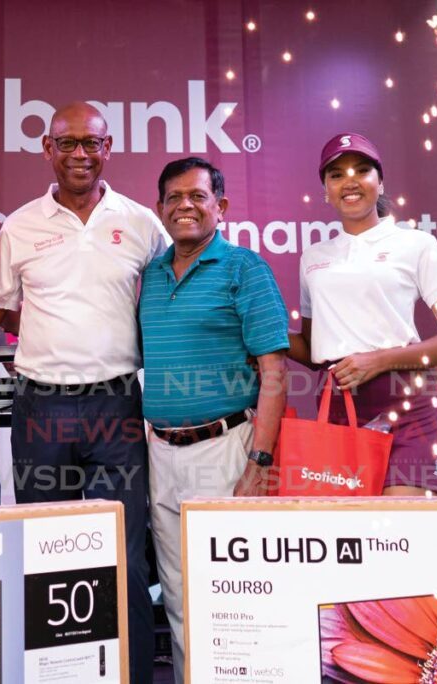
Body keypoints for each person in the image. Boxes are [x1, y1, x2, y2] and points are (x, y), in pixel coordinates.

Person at [0, 102, 164, 684]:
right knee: (43, 548)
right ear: (47, 149)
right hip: (41, 408)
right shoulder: (19, 225)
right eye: (68, 143)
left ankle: (130, 674)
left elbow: (173, 294)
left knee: (126, 556)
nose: (80, 154)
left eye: (93, 143)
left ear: (109, 148)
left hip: (117, 406)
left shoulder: (140, 222)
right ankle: (51, 673)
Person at [139, 157, 289, 682]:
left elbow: (274, 370)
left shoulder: (245, 268)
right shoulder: (150, 277)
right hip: (159, 452)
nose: (185, 205)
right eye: (174, 197)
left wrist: (259, 462)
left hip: (228, 448)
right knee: (179, 596)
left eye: (198, 196)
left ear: (220, 207)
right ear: (160, 209)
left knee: (235, 597)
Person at [287, 132, 437, 495]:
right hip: (340, 406)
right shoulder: (313, 258)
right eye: (336, 174)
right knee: (350, 538)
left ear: (380, 180)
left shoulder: (417, 244)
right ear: (325, 190)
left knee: (403, 532)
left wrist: (378, 360)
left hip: (407, 402)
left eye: (362, 170)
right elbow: (314, 350)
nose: (350, 181)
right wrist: (259, 334)